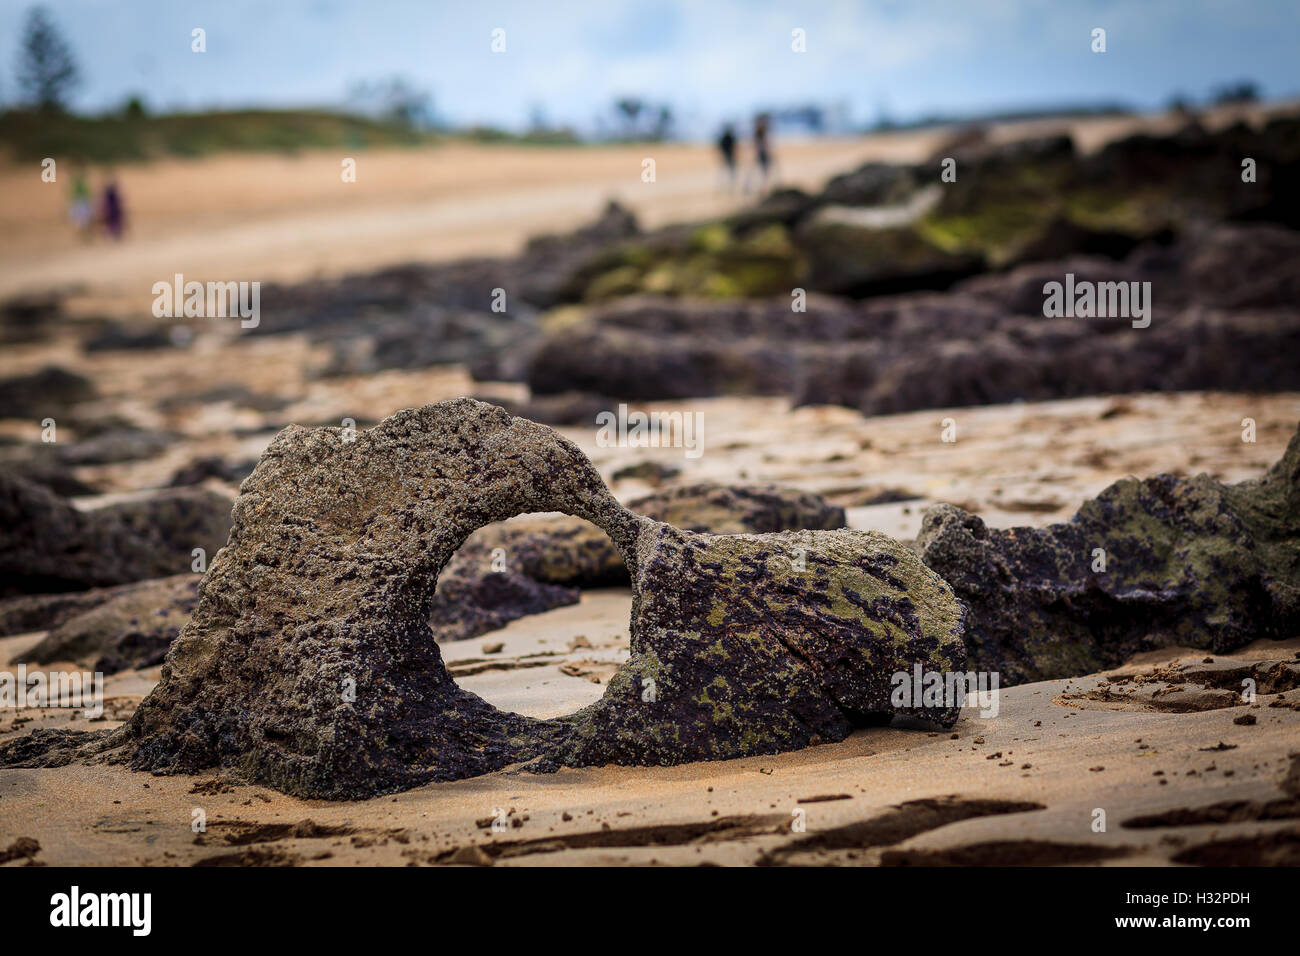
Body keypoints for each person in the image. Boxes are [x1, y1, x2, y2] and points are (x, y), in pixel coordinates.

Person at [68, 167, 92, 239]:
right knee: (82, 221)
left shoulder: (78, 182)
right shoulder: (77, 182)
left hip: (81, 202)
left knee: (82, 220)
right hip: (80, 202)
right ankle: (83, 235)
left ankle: (83, 235)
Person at [100, 174, 125, 240]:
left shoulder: (110, 191)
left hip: (113, 209)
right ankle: (112, 234)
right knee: (112, 222)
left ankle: (114, 235)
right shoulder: (111, 191)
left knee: (113, 222)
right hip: (112, 209)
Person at [716, 123, 738, 193]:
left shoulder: (724, 138)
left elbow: (721, 148)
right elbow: (733, 148)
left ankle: (725, 186)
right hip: (729, 157)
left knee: (726, 172)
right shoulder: (729, 138)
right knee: (729, 172)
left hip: (726, 156)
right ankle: (728, 186)